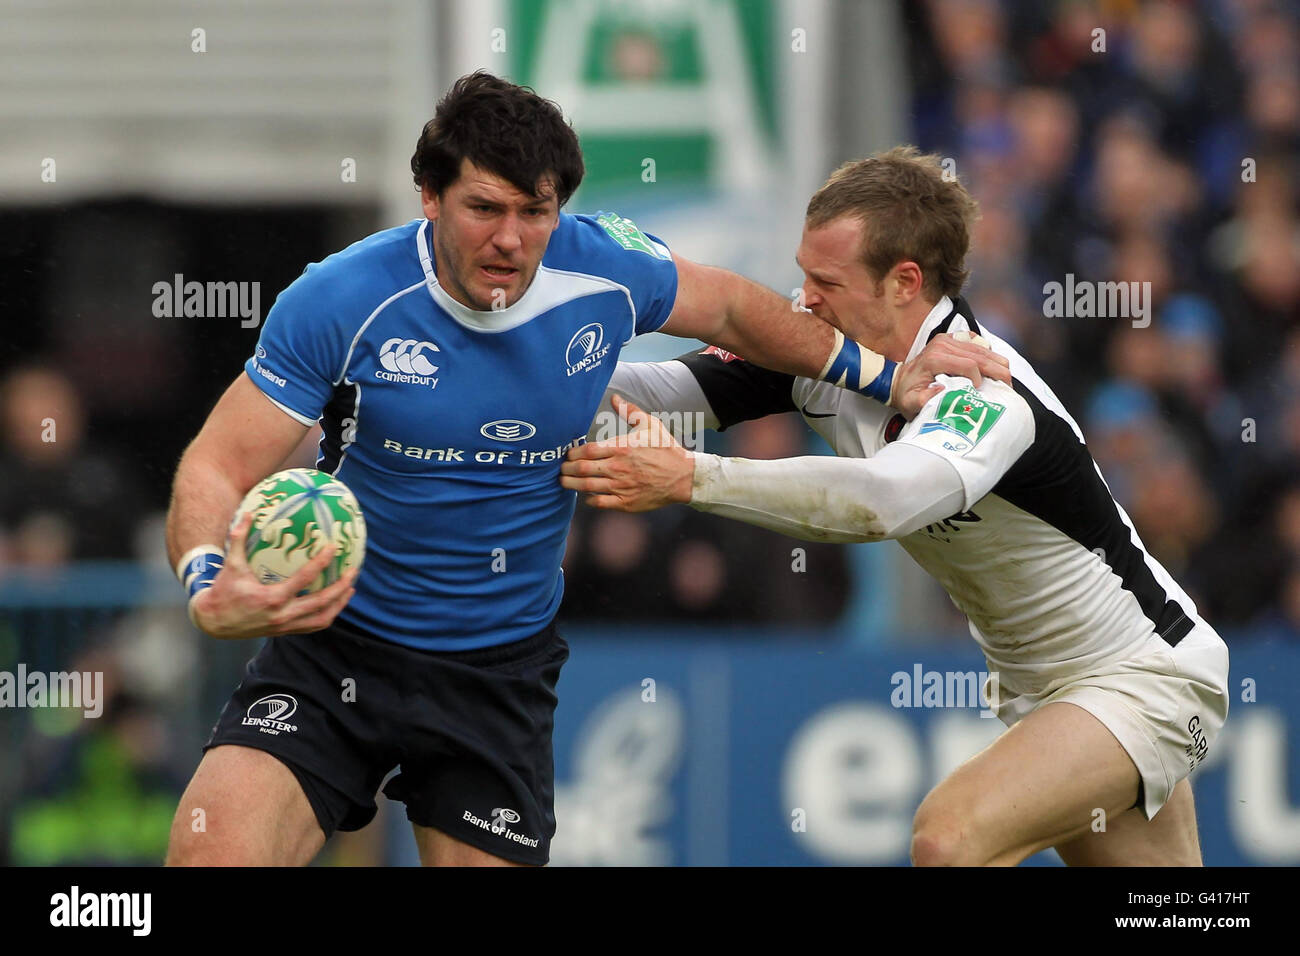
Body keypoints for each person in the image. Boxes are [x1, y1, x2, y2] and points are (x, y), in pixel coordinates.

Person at [162, 75, 1006, 867]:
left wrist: (885, 375)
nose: (511, 239)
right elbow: (214, 466)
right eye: (483, 208)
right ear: (429, 198)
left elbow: (738, 308)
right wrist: (207, 579)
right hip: (333, 648)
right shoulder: (341, 299)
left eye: (535, 212)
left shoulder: (603, 267)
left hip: (493, 674)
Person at [562, 146, 1230, 866]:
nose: (803, 298)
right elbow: (647, 396)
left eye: (826, 282)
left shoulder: (983, 389)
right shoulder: (825, 356)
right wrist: (530, 366)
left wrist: (691, 477)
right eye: (802, 274)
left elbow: (882, 502)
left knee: (948, 839)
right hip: (1049, 696)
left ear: (903, 282)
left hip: (1146, 678)